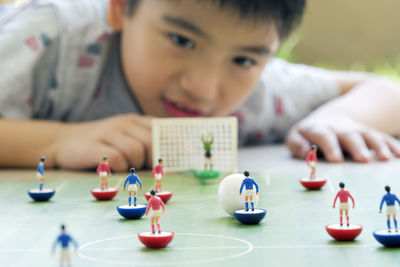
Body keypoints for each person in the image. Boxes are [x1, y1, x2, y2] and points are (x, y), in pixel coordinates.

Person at [1, 0, 400, 172]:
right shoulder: (49, 33)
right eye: (181, 40)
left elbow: (386, 91)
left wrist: (339, 118)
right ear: (121, 8)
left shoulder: (258, 92)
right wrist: (55, 142)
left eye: (244, 59)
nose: (204, 90)